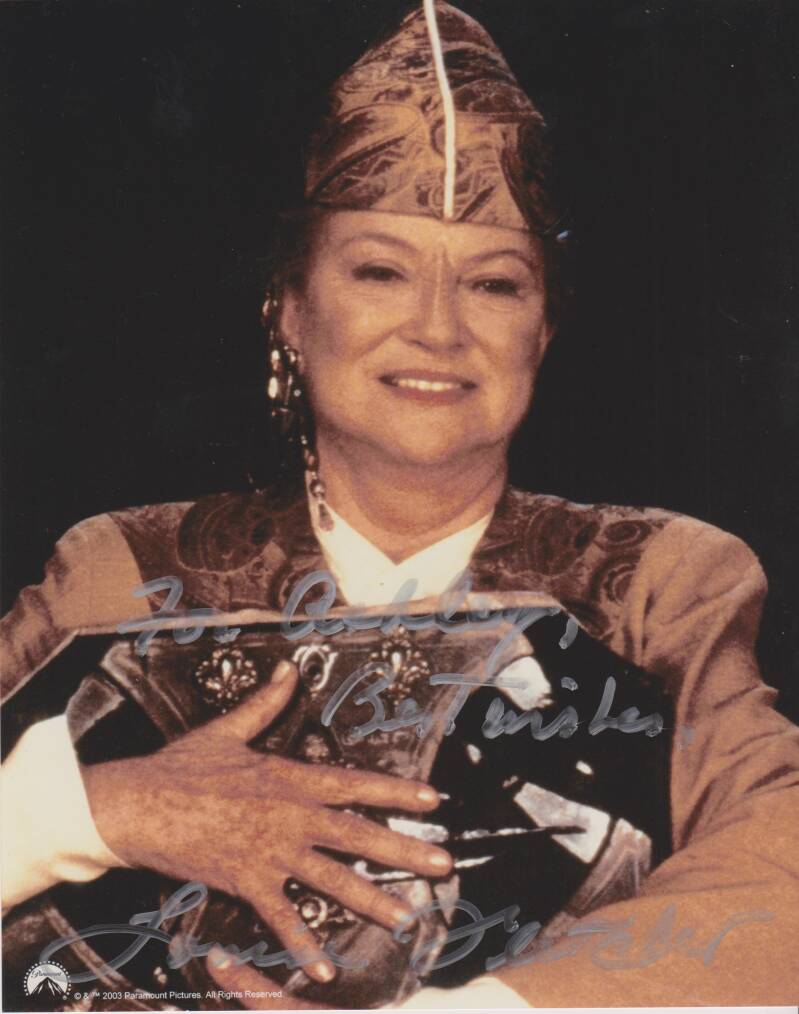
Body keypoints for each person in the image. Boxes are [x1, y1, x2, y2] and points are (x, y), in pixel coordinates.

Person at [1, 1, 797, 1009]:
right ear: (290, 312)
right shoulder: (120, 571)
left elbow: (781, 866)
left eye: (494, 286)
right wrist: (93, 811)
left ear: (542, 332)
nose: (437, 329)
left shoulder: (653, 586)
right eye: (380, 272)